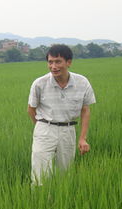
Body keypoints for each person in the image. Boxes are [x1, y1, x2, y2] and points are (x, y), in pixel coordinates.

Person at [27, 44, 96, 185]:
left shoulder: (82, 82)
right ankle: (40, 203)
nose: (53, 66)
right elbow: (31, 109)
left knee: (65, 173)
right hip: (45, 129)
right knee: (40, 175)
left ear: (68, 62)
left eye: (58, 62)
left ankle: (60, 202)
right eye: (50, 62)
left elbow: (85, 110)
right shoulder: (39, 83)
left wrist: (82, 138)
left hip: (68, 130)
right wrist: (42, 127)